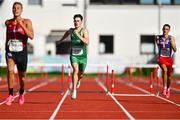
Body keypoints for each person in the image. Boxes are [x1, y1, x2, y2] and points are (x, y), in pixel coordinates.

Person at [5, 2, 34, 105]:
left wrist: (22, 25)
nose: (16, 10)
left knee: (22, 77)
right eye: (14, 8)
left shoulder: (27, 22)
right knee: (10, 70)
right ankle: (10, 95)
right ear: (12, 10)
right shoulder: (8, 23)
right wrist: (6, 49)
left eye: (18, 8)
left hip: (22, 52)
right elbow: (7, 37)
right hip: (11, 51)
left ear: (21, 10)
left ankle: (21, 92)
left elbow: (31, 36)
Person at [57, 14, 89, 99]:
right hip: (74, 55)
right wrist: (61, 40)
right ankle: (74, 90)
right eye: (75, 21)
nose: (76, 22)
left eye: (78, 21)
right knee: (75, 70)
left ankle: (78, 80)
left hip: (83, 56)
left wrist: (78, 35)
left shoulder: (84, 31)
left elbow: (87, 42)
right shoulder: (71, 30)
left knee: (81, 73)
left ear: (81, 22)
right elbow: (66, 34)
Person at [156, 24, 177, 98]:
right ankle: (164, 88)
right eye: (164, 29)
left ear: (169, 30)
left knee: (169, 76)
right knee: (164, 70)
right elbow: (158, 46)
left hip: (169, 59)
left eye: (167, 29)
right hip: (161, 58)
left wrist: (172, 44)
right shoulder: (158, 37)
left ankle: (168, 88)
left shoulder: (172, 38)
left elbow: (175, 50)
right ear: (162, 29)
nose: (165, 30)